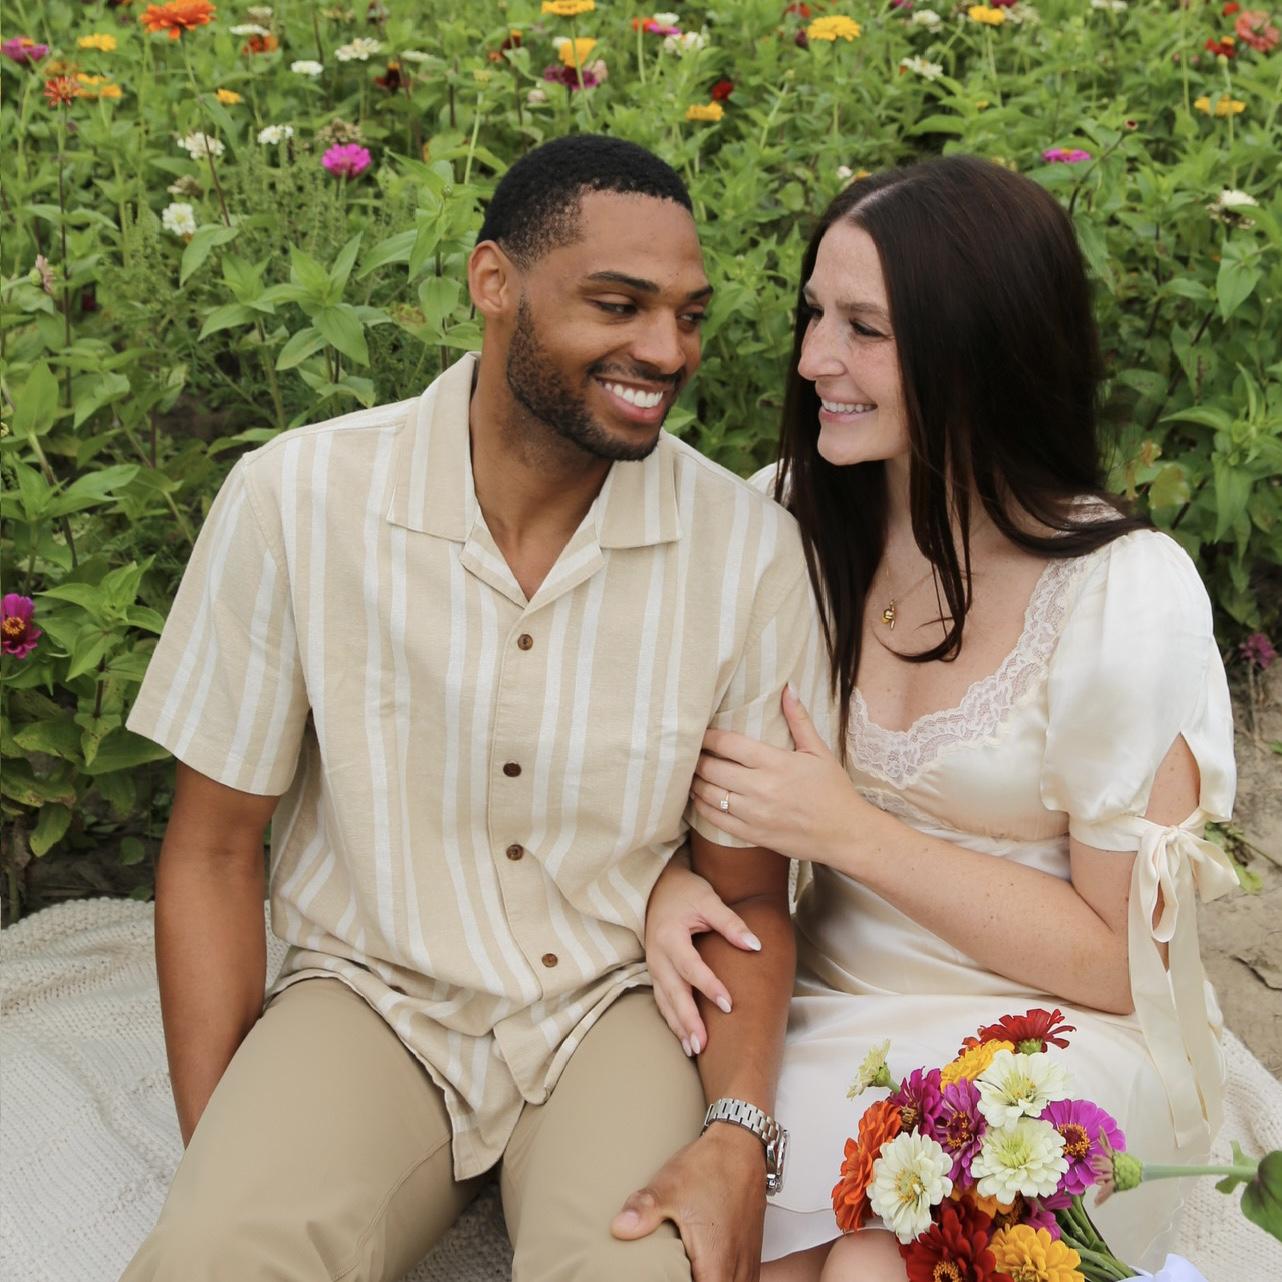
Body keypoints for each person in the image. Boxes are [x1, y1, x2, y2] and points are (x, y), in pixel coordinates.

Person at [120, 134, 828, 1282]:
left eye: (689, 315)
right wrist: (222, 1162)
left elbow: (746, 894)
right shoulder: (297, 501)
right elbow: (211, 850)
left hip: (619, 1004)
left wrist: (736, 1134)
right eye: (619, 304)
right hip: (366, 993)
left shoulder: (745, 555)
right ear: (492, 283)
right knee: (209, 1264)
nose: (665, 349)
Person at [643, 156, 1238, 1282]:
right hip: (820, 1009)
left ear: (980, 346)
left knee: (883, 1258)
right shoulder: (781, 522)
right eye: (815, 314)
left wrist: (856, 835)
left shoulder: (1122, 593)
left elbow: (1122, 967)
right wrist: (661, 879)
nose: (816, 357)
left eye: (865, 328)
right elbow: (642, 769)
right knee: (732, 1251)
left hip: (1052, 1038)